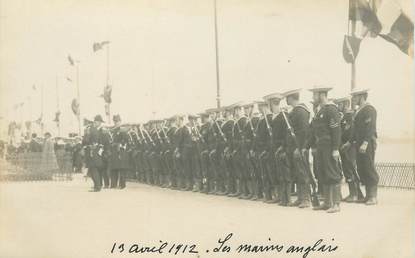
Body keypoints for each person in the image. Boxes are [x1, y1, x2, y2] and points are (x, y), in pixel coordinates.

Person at [309, 87, 342, 213]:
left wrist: (335, 149)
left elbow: (336, 130)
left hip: (329, 146)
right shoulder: (320, 110)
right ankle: (328, 202)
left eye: (314, 94)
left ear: (322, 94)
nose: (313, 97)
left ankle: (336, 204)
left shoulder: (331, 109)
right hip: (321, 146)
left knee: (332, 173)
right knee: (323, 173)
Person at [346, 89, 379, 205]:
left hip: (367, 143)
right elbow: (355, 130)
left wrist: (365, 143)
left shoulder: (369, 109)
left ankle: (373, 196)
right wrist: (350, 142)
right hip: (358, 143)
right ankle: (367, 195)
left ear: (361, 96)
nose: (353, 99)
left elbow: (370, 128)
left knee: (368, 167)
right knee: (361, 168)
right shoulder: (358, 111)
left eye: (355, 97)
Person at [282, 89, 311, 208]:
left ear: (292, 98)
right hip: (294, 147)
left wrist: (300, 148)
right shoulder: (295, 111)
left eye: (287, 97)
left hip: (300, 147)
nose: (286, 100)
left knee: (303, 172)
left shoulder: (301, 111)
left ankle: (306, 198)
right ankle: (300, 197)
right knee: (298, 172)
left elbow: (304, 132)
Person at [335, 97, 363, 202]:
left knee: (350, 169)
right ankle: (354, 193)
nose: (338, 107)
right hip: (344, 147)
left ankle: (355, 194)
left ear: (345, 104)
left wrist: (347, 143)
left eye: (339, 104)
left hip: (349, 147)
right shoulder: (344, 117)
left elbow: (350, 132)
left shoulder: (350, 116)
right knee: (347, 170)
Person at [82, 115, 110, 192]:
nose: (98, 123)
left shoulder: (99, 130)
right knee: (95, 168)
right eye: (97, 121)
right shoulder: (91, 129)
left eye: (99, 122)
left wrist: (105, 151)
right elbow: (85, 142)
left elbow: (107, 142)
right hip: (94, 151)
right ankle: (98, 185)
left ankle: (97, 186)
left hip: (98, 152)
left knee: (94, 168)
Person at [109, 115, 131, 189]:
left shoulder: (123, 130)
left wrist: (121, 145)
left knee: (122, 168)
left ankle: (122, 185)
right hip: (114, 150)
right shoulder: (113, 130)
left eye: (117, 121)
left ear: (120, 122)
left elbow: (127, 141)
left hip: (121, 151)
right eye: (115, 121)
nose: (116, 123)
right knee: (114, 168)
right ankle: (113, 184)